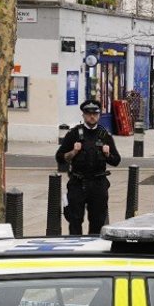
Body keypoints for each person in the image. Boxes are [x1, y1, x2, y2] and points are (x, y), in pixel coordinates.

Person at [55, 100, 121, 235]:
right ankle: (75, 249)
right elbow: (60, 157)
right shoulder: (74, 134)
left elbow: (116, 161)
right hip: (78, 182)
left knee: (98, 221)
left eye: (95, 114)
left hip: (98, 183)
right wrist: (73, 152)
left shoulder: (104, 135)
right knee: (74, 220)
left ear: (99, 116)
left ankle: (94, 250)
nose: (92, 116)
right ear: (83, 115)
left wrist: (107, 154)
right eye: (88, 114)